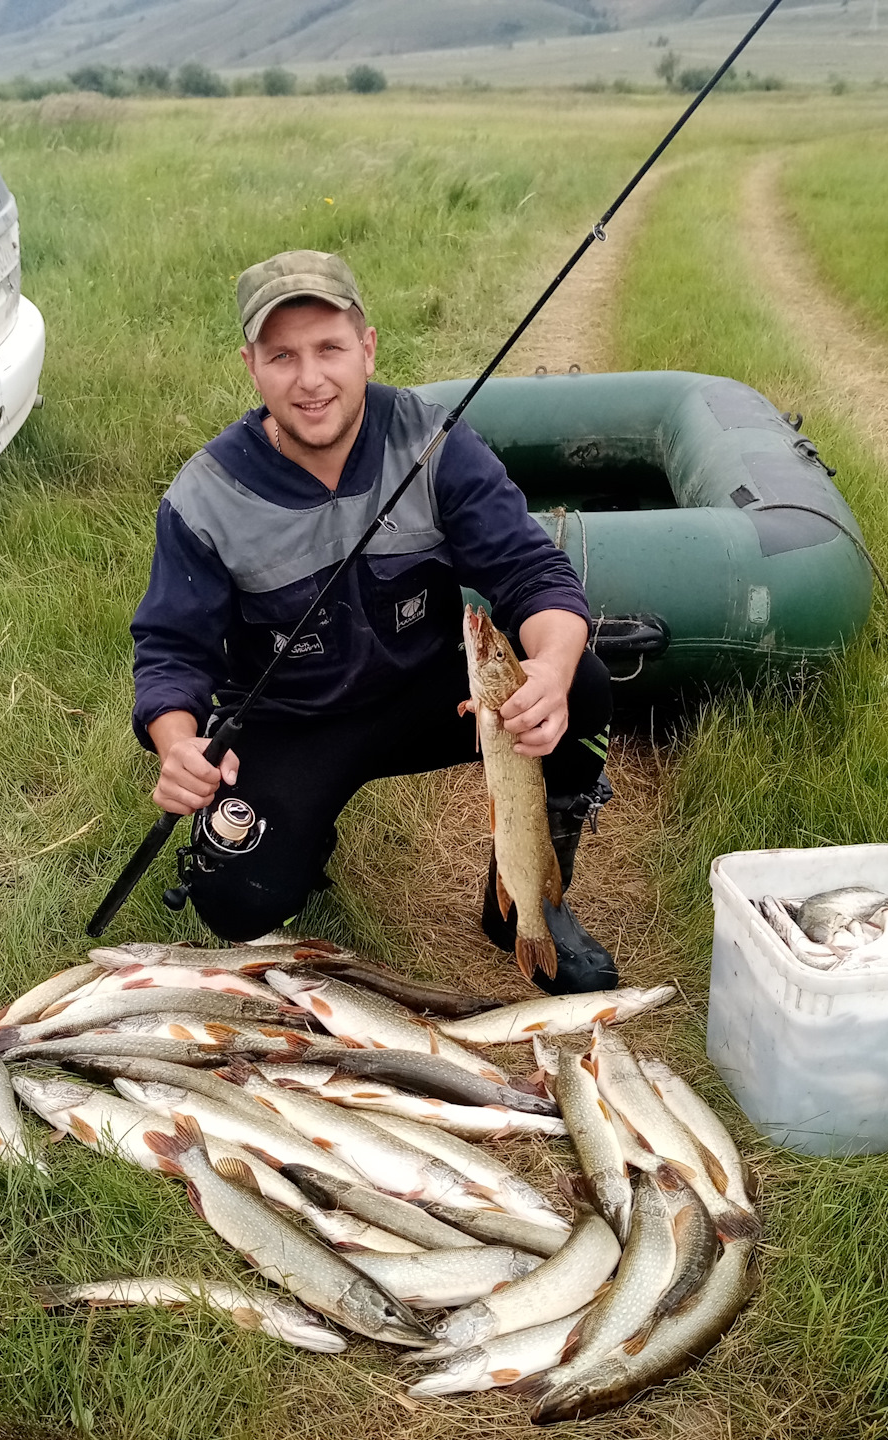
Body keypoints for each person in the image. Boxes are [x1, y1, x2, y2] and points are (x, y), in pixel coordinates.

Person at [129, 249, 618, 993]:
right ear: (251, 366)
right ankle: (300, 835)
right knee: (235, 902)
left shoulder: (435, 443)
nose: (311, 378)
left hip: (431, 698)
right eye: (282, 355)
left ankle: (525, 902)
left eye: (329, 347)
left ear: (367, 347)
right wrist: (177, 745)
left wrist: (547, 671)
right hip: (293, 723)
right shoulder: (205, 497)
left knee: (582, 680)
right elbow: (171, 650)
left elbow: (533, 573)